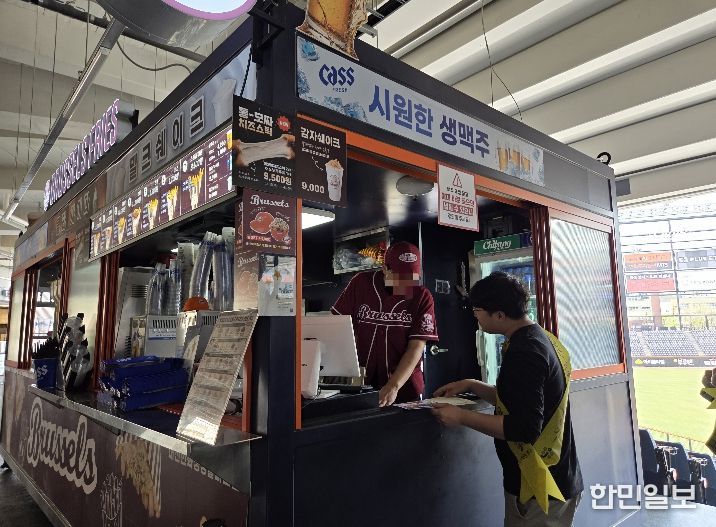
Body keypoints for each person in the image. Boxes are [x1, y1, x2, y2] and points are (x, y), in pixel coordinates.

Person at [432, 272, 583, 526]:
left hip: (540, 488)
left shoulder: (525, 352)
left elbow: (524, 428)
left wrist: (461, 416)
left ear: (500, 315)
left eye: (478, 310)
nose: (475, 316)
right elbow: (521, 401)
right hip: (553, 477)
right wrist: (472, 385)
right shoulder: (539, 338)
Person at [331, 241, 439, 406]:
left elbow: (416, 347)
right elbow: (337, 327)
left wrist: (393, 385)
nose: (406, 284)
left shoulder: (422, 297)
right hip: (360, 384)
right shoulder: (361, 283)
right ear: (384, 269)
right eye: (400, 277)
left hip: (404, 389)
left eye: (412, 278)